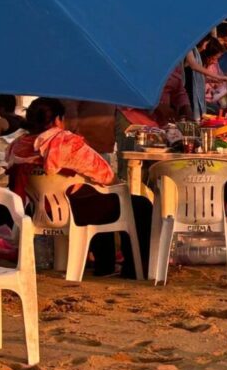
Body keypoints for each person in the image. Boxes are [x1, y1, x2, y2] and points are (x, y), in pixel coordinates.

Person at [9, 97, 150, 277]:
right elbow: (106, 175)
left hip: (39, 209)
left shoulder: (18, 146)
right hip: (75, 210)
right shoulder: (67, 143)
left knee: (97, 198)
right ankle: (133, 268)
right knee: (138, 204)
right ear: (57, 120)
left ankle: (105, 263)